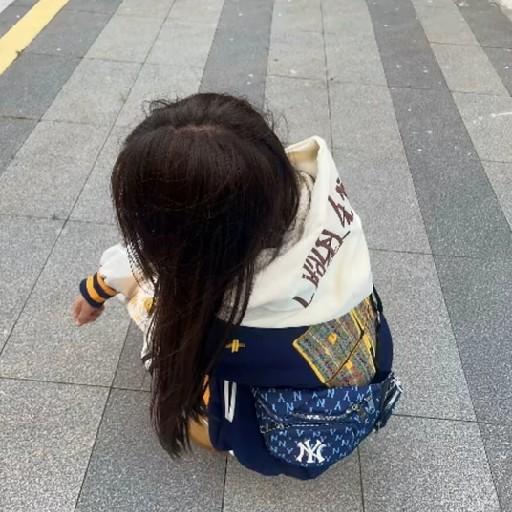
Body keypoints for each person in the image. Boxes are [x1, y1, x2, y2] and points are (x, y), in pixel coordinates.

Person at [72, 93, 400, 480]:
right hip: (359, 382)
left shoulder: (224, 312)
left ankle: (218, 429)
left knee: (160, 316)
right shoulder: (316, 199)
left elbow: (145, 263)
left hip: (277, 437)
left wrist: (97, 288)